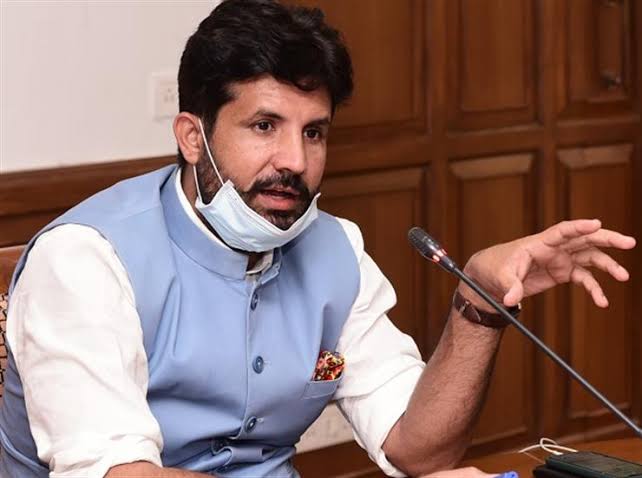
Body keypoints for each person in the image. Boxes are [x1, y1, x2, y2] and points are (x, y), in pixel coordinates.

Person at [0, 1, 635, 477]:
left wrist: (479, 304)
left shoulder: (335, 250)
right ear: (193, 137)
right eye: (264, 126)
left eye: (314, 132)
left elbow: (417, 449)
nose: (295, 162)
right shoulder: (85, 259)